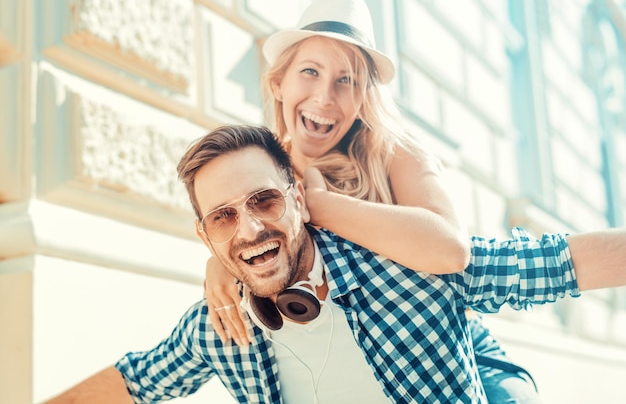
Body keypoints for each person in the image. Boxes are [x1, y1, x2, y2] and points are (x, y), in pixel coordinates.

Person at [44, 124, 626, 404]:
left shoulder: (407, 267)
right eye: (222, 217)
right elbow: (133, 381)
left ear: (299, 197)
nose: (249, 229)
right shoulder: (219, 328)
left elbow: (555, 263)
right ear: (205, 235)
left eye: (264, 200)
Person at [202, 0, 537, 402]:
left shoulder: (394, 154)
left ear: (363, 97)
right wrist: (219, 264)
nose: (325, 97)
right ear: (278, 83)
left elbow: (450, 250)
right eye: (310, 71)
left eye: (347, 80)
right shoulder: (264, 173)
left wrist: (322, 206)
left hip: (456, 349)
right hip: (361, 360)